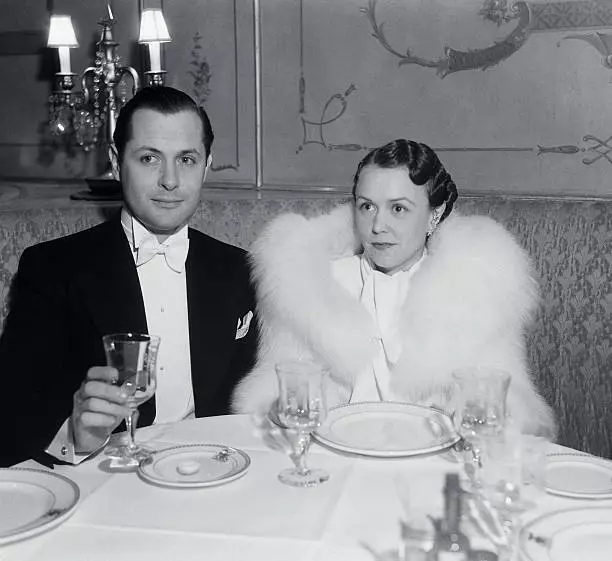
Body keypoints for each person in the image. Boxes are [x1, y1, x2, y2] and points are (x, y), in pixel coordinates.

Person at [0, 86, 258, 467]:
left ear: (206, 165)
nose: (170, 180)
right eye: (149, 158)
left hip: (215, 473)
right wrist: (77, 434)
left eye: (186, 159)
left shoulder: (241, 268)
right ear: (117, 161)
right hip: (106, 477)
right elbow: (9, 421)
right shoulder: (53, 267)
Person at [232, 139, 555, 437]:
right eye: (366, 206)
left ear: (435, 214)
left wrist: (481, 411)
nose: (377, 226)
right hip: (332, 462)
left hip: (435, 466)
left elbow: (514, 403)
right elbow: (271, 390)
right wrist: (281, 407)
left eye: (398, 208)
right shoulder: (309, 285)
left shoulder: (475, 288)